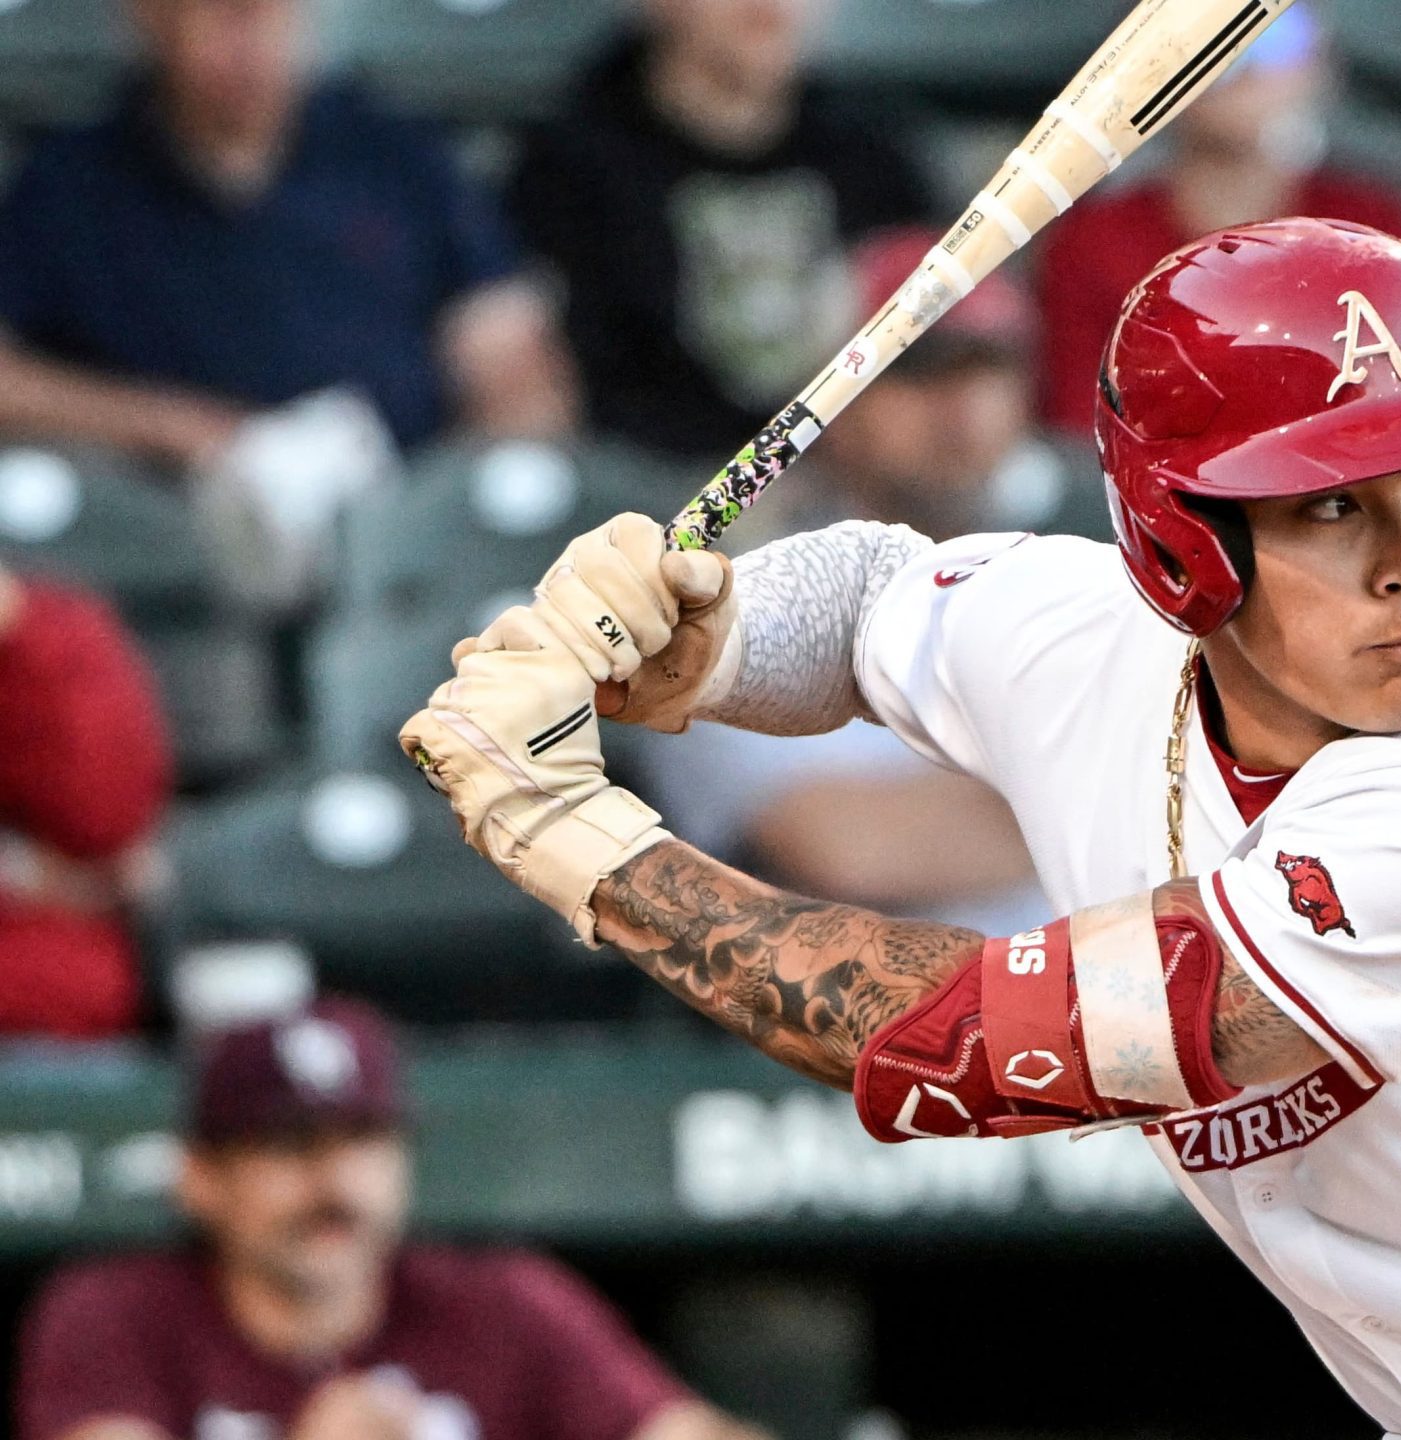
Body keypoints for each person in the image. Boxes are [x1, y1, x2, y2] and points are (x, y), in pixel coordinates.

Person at [404, 217, 1401, 1439]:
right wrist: (703, 639)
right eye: (1332, 504)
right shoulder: (1089, 632)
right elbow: (882, 600)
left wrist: (578, 846)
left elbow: (965, 1047)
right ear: (1182, 546)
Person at [15, 997, 763, 1440]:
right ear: (200, 1178)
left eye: (363, 1141)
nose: (333, 1182)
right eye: (288, 1145)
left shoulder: (501, 1301)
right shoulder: (115, 1310)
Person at [639, 228, 1075, 939]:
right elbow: (845, 849)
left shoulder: (1076, 574)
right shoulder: (733, 593)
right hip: (857, 1022)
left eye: (987, 367)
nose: (960, 408)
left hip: (1101, 1007)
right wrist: (1122, 809)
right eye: (920, 369)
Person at [0, 0, 574, 468]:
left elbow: (508, 353)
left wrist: (450, 492)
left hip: (395, 526)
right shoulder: (69, 184)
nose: (248, 44)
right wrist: (177, 431)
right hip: (169, 529)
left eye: (268, 14)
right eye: (221, 16)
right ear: (150, 18)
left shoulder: (394, 153)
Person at [509, 0, 936, 462]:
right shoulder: (568, 168)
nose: (772, 7)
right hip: (646, 494)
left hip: (848, 488)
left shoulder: (878, 156)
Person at [1032, 5, 1401, 429]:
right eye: (1202, 41)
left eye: (1271, 37)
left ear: (1318, 60)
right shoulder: (1092, 242)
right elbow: (1084, 433)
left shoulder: (1375, 229)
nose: (1239, 66)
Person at [0, 564, 171, 1039]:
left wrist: (18, 636)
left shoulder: (51, 636)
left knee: (72, 979)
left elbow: (103, 819)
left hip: (38, 967)